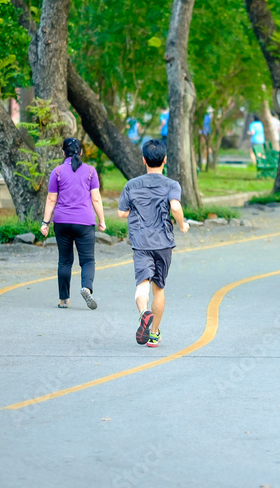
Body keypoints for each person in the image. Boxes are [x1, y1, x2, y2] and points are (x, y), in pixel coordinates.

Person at [118, 139, 190, 347]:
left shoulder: (131, 185)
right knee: (159, 288)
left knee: (142, 285)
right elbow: (175, 207)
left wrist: (136, 209)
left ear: (143, 160)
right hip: (163, 243)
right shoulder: (171, 185)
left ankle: (144, 313)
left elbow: (122, 212)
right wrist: (182, 224)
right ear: (165, 160)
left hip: (141, 242)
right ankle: (154, 333)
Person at [40, 138, 106, 310]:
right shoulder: (91, 171)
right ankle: (86, 287)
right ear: (81, 153)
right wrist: (102, 220)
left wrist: (45, 222)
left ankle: (63, 300)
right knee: (88, 260)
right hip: (84, 222)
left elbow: (51, 198)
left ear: (63, 153)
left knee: (64, 261)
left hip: (62, 222)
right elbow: (96, 199)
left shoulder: (57, 171)